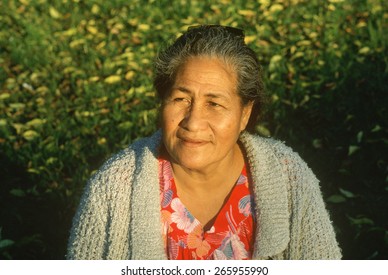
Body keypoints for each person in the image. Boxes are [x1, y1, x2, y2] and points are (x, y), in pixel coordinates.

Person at [67, 25, 341, 260]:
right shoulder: (114, 187)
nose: (193, 122)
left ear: (245, 113)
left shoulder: (288, 176)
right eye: (181, 99)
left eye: (214, 103)